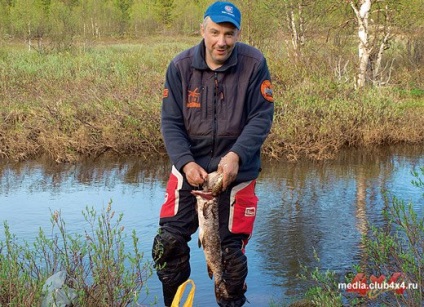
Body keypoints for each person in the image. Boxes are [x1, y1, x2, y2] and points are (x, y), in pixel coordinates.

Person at [152, 1, 274, 306]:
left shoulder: (254, 63)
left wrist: (236, 156)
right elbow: (170, 122)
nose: (222, 41)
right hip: (190, 169)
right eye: (215, 32)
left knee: (230, 262)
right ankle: (176, 304)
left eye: (229, 34)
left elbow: (261, 116)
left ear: (238, 34)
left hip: (236, 173)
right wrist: (185, 162)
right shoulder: (180, 67)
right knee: (168, 245)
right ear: (203, 30)